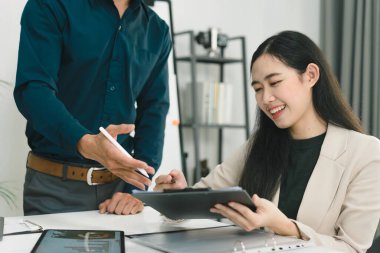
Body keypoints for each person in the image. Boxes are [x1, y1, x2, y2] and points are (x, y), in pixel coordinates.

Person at [154, 31, 380, 252]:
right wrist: (178, 196)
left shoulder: (366, 152)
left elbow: (351, 247)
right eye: (258, 89)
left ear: (310, 75)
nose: (265, 99)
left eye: (275, 82)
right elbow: (203, 196)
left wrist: (284, 226)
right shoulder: (259, 146)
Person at [14, 0, 171, 215]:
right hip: (53, 190)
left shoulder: (157, 30)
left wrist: (135, 188)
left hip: (120, 195)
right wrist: (85, 142)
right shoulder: (50, 5)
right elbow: (33, 90)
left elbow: (154, 110)